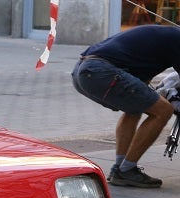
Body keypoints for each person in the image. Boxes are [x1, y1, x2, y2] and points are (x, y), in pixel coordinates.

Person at [71, 24, 180, 187]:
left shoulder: (164, 36)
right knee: (163, 110)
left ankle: (121, 168)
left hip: (83, 71)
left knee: (135, 108)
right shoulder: (176, 38)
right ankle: (127, 170)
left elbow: (141, 82)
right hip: (100, 71)